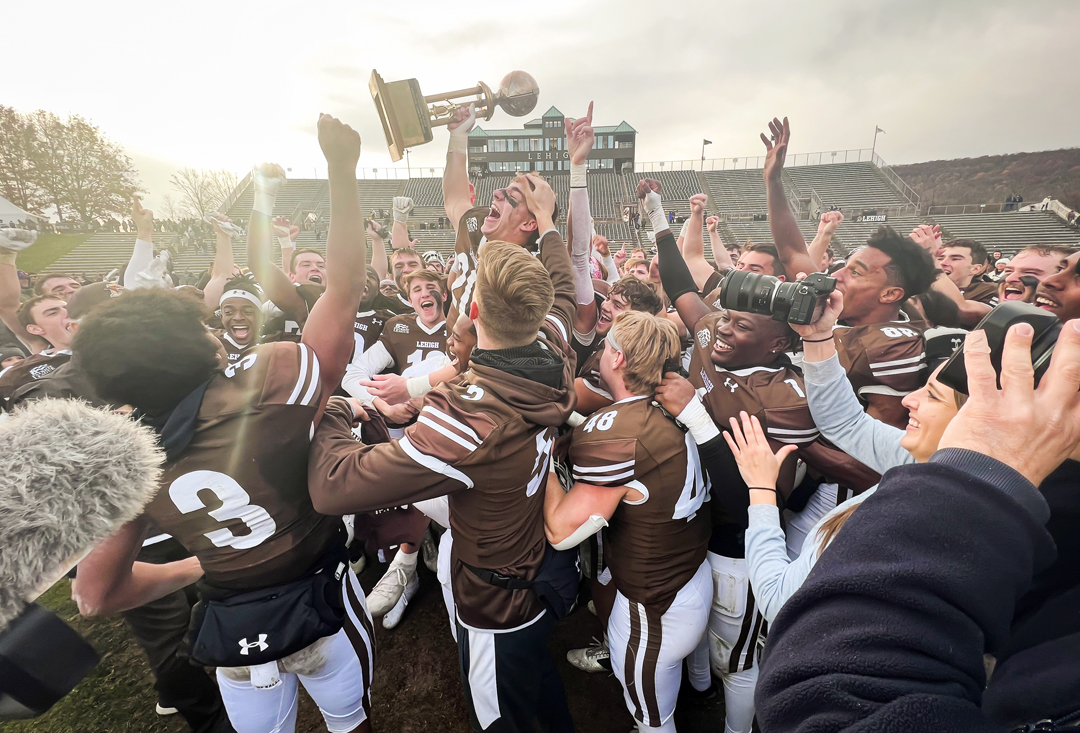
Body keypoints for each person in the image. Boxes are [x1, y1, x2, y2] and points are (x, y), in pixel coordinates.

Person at [71, 114, 377, 733]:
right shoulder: (272, 377)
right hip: (319, 602)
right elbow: (343, 289)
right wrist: (342, 170)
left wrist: (197, 567)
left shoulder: (129, 462)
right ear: (201, 346)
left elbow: (94, 596)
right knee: (349, 725)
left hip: (233, 629)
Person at [306, 175, 579, 733]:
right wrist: (548, 223)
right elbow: (567, 294)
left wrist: (335, 409)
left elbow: (334, 486)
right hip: (536, 560)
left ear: (472, 309)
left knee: (505, 717)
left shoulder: (467, 421)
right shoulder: (554, 349)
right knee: (542, 699)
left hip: (496, 603)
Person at [756, 320, 1080, 732]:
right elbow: (845, 423)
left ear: (980, 422)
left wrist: (761, 493)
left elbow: (791, 624)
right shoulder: (923, 458)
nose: (909, 399)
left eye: (931, 395)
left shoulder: (941, 513)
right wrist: (818, 337)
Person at [545, 310, 711, 733]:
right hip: (691, 571)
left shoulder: (614, 432)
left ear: (617, 359)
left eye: (606, 347)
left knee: (652, 717)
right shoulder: (680, 402)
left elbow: (561, 531)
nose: (601, 353)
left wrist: (542, 462)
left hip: (654, 604)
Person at [760, 118, 937, 429]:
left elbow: (872, 456)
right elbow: (792, 252)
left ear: (890, 294)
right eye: (845, 265)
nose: (837, 275)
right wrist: (773, 182)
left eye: (856, 272)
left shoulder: (892, 349)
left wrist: (769, 423)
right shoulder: (839, 304)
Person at [937, 238, 998, 306]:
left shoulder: (988, 291)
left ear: (975, 269)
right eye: (940, 258)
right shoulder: (926, 289)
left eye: (955, 259)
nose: (942, 263)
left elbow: (962, 311)